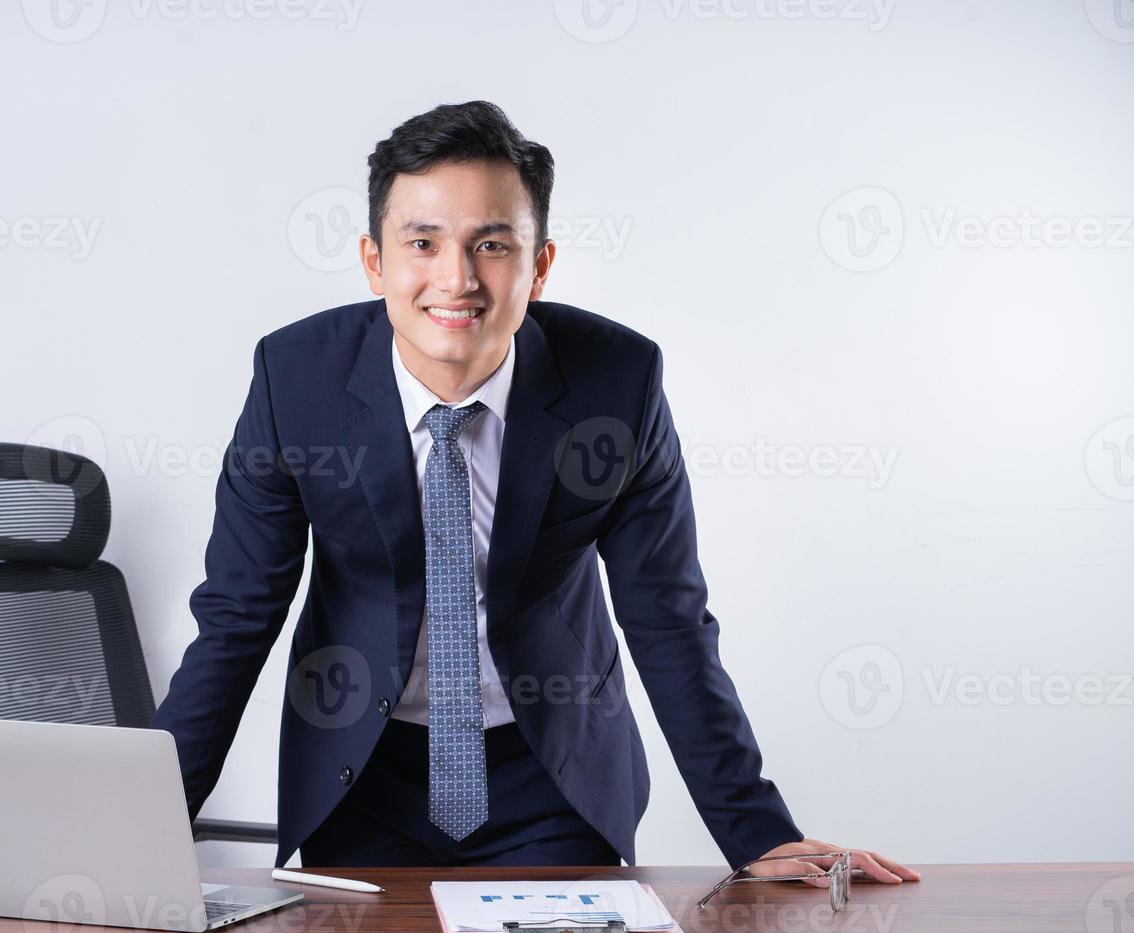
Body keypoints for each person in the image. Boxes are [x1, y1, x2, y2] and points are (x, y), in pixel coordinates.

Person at [152, 100, 919, 887]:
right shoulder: (296, 381)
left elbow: (667, 617)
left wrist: (755, 832)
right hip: (358, 775)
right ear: (374, 261)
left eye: (492, 244)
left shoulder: (615, 382)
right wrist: (143, 827)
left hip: (550, 777)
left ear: (539, 265)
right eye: (422, 243)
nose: (457, 279)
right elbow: (238, 617)